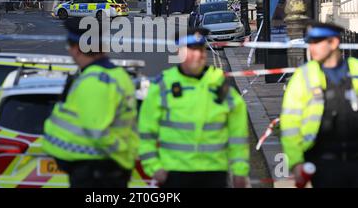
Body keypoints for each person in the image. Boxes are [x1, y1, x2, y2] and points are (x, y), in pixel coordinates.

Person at [138, 28, 250, 188]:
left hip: (214, 173)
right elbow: (146, 132)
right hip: (174, 173)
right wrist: (153, 167)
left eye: (201, 50)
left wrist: (240, 171)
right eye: (192, 50)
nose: (198, 55)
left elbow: (238, 135)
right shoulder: (163, 86)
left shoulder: (221, 86)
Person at [42, 18, 139, 188]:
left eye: (70, 47)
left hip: (97, 174)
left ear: (78, 49)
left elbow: (98, 131)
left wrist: (119, 154)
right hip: (103, 171)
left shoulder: (95, 81)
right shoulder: (117, 75)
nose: (70, 53)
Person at [281, 21, 358, 188]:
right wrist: (295, 162)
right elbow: (290, 123)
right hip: (322, 163)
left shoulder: (356, 69)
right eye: (310, 43)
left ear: (334, 42)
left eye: (317, 42)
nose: (311, 48)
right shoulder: (304, 75)